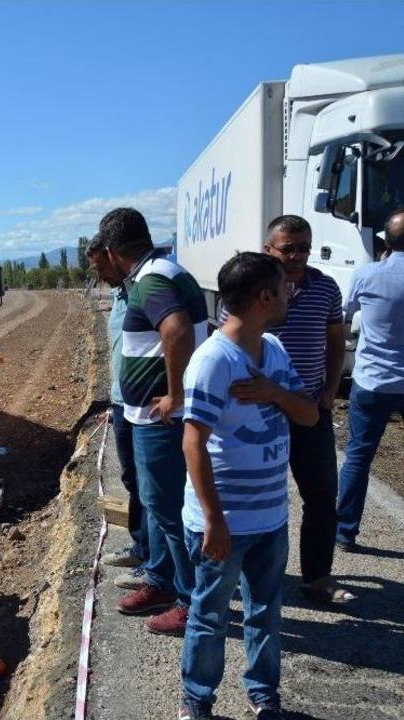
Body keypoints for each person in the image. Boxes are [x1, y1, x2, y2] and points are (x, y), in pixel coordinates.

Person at [179, 252, 318, 720]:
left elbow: (310, 414)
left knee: (265, 612)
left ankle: (263, 694)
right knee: (210, 615)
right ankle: (196, 701)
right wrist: (214, 522)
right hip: (224, 525)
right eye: (283, 286)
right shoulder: (213, 361)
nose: (289, 293)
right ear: (263, 297)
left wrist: (275, 393)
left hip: (270, 518)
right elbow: (192, 444)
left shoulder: (273, 350)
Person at [220, 215, 348, 602]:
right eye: (288, 248)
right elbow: (232, 340)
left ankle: (316, 576)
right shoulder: (255, 292)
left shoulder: (326, 289)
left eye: (304, 247)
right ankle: (244, 574)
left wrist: (329, 390)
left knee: (322, 495)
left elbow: (336, 341)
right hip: (259, 411)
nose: (297, 255)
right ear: (269, 250)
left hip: (308, 409)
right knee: (251, 497)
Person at [101, 208, 208, 636]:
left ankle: (188, 601)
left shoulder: (152, 280)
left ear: (112, 250)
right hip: (149, 416)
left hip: (159, 420)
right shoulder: (160, 270)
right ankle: (162, 581)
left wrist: (175, 396)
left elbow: (178, 330)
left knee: (167, 509)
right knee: (158, 506)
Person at [336, 209, 404, 550]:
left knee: (359, 458)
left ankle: (345, 531)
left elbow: (347, 312)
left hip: (373, 380)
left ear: (386, 241)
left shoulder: (367, 274)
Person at [85, 234, 149, 571]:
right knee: (131, 478)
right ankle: (141, 546)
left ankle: (156, 562)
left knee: (148, 484)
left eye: (101, 268)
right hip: (122, 402)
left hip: (144, 406)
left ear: (113, 256)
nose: (100, 276)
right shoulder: (119, 295)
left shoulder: (145, 292)